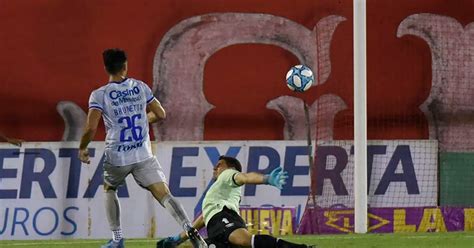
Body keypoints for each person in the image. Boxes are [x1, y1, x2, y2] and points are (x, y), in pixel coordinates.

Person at [78, 48, 207, 248]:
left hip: (118, 157)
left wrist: (82, 148)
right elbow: (161, 114)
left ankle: (117, 238)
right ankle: (190, 230)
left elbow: (91, 127)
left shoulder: (100, 95)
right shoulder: (139, 87)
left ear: (106, 68)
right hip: (143, 154)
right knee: (165, 194)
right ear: (125, 65)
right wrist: (143, 120)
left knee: (110, 188)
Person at [157, 156, 315, 248]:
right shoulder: (219, 191)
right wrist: (178, 239)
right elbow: (205, 218)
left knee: (243, 240)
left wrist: (266, 179)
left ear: (230, 168)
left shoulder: (228, 174)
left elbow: (245, 177)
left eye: (220, 165)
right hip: (216, 227)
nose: (215, 167)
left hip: (224, 218)